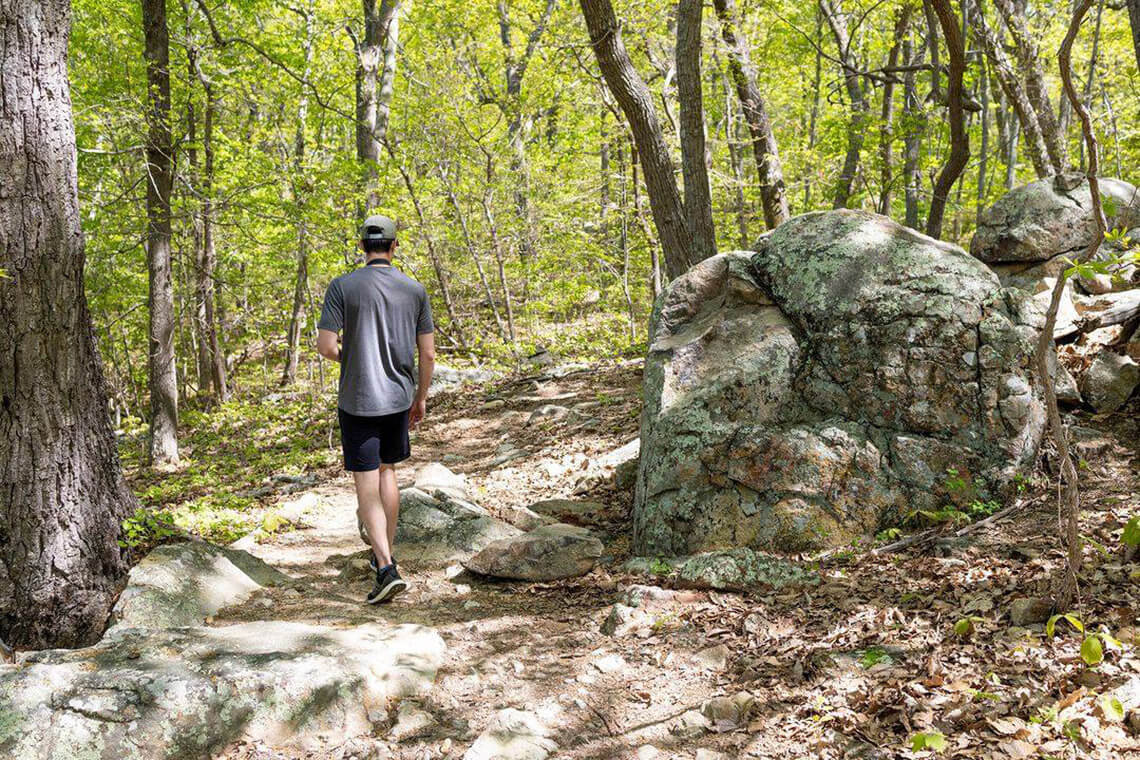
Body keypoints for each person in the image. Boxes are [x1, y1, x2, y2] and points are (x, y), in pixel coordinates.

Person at [317, 214, 435, 603]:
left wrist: (354, 359)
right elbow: (428, 353)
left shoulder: (342, 287)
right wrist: (420, 397)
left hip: (358, 399)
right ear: (394, 246)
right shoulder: (414, 289)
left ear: (361, 247)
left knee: (366, 481)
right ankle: (386, 553)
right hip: (398, 398)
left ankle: (384, 567)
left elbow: (326, 346)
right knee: (388, 472)